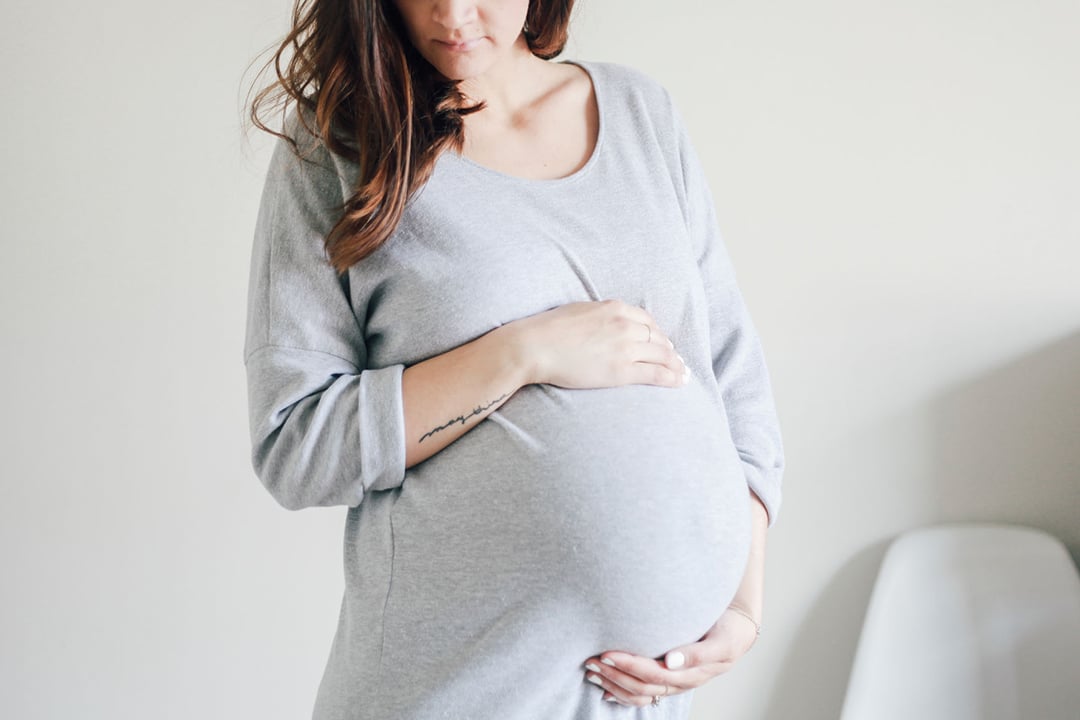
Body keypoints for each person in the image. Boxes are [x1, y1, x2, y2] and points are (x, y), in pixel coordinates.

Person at [242, 0, 785, 718]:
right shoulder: (341, 146)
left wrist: (742, 602)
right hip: (455, 693)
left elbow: (730, 371)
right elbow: (296, 443)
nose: (453, 11)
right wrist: (522, 354)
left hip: (634, 704)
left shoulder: (640, 113)